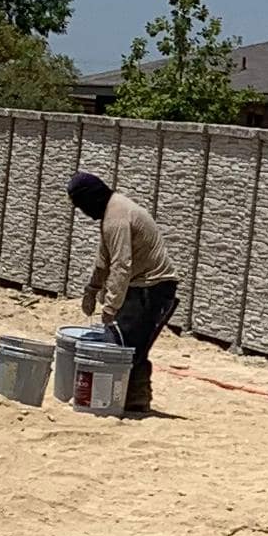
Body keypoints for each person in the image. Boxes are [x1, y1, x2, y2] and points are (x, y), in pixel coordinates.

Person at [66, 169, 178, 417]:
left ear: (90, 198)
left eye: (80, 205)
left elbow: (121, 265)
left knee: (125, 346)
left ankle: (132, 400)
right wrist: (91, 289)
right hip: (142, 287)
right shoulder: (111, 213)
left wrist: (110, 307)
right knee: (129, 343)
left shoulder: (117, 217)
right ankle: (133, 401)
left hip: (153, 288)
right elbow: (103, 259)